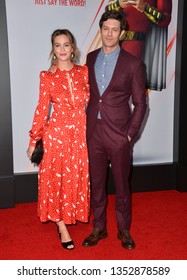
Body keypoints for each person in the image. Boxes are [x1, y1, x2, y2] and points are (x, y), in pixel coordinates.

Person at [82, 10, 147, 250]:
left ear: (121, 33)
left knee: (122, 185)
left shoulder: (133, 64)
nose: (109, 33)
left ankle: (124, 230)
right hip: (94, 133)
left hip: (119, 134)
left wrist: (130, 134)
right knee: (96, 184)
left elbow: (141, 103)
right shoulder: (90, 58)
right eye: (106, 28)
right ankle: (99, 227)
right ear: (101, 30)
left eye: (114, 29)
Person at [26, 29, 90, 250]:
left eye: (66, 45)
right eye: (57, 45)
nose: (62, 49)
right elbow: (42, 109)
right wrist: (33, 140)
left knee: (73, 178)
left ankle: (69, 214)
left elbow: (88, 103)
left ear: (72, 48)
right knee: (54, 180)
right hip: (56, 136)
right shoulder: (48, 76)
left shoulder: (84, 72)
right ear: (53, 49)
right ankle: (61, 225)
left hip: (78, 138)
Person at [106, 0, 172, 91]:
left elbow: (165, 19)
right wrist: (118, 4)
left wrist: (145, 8)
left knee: (134, 92)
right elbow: (107, 13)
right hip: (115, 47)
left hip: (138, 48)